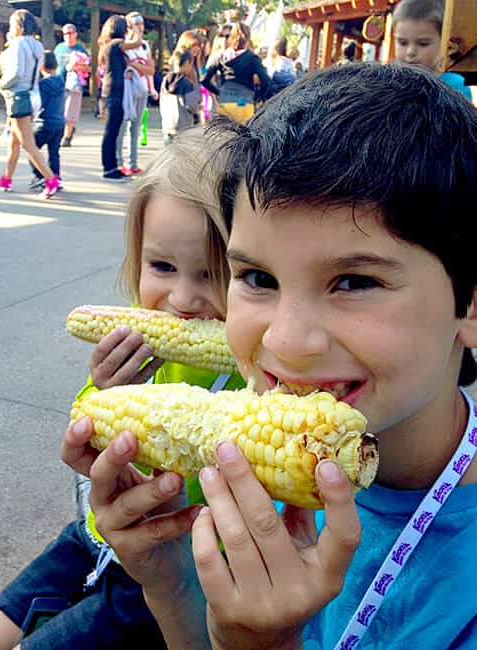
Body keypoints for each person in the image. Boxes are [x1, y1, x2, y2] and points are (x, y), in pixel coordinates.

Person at [63, 62, 477, 649]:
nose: (283, 342)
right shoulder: (252, 482)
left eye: (354, 282)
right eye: (257, 276)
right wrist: (170, 580)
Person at [0, 129, 245, 650]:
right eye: (162, 267)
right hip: (99, 534)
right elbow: (85, 426)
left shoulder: (253, 376)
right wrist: (100, 393)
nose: (182, 300)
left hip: (172, 561)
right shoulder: (142, 351)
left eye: (215, 274)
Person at [0, 10, 59, 198]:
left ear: (18, 26)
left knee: (28, 144)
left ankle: (51, 179)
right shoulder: (37, 45)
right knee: (14, 141)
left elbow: (16, 73)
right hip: (32, 95)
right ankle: (6, 179)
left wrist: (1, 84)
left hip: (19, 97)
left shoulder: (17, 44)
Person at [393, 0, 473, 102]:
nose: (410, 52)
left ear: (444, 42)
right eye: (402, 43)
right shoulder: (386, 82)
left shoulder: (455, 86)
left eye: (423, 43)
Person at [99, 15, 142, 181]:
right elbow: (137, 42)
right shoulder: (116, 44)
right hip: (114, 93)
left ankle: (111, 166)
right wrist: (135, 26)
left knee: (113, 131)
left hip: (113, 92)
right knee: (111, 132)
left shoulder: (111, 45)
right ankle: (108, 168)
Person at [201, 22, 270, 124]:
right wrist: (258, 97)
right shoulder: (253, 58)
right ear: (247, 38)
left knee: (224, 137)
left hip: (226, 103)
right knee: (242, 137)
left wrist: (219, 92)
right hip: (245, 103)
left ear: (231, 38)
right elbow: (266, 80)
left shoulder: (220, 57)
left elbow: (204, 80)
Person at [115, 12, 156, 177]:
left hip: (142, 89)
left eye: (141, 23)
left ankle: (133, 162)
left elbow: (150, 69)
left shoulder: (145, 45)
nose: (140, 27)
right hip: (128, 91)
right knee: (122, 126)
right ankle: (118, 162)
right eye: (136, 23)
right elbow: (126, 67)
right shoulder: (124, 44)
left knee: (136, 127)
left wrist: (136, 67)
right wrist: (136, 67)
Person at [27, 51, 66, 193]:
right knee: (54, 152)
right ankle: (56, 176)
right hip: (60, 122)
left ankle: (40, 175)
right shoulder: (61, 81)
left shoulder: (42, 85)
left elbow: (38, 104)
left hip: (44, 122)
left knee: (31, 148)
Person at [53, 24, 90, 147]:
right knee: (59, 111)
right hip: (59, 83)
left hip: (74, 84)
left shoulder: (81, 50)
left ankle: (67, 137)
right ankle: (67, 131)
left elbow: (90, 68)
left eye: (70, 33)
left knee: (70, 111)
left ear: (75, 34)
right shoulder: (58, 48)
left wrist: (79, 67)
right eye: (65, 33)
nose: (68, 35)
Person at [159, 49, 201, 145]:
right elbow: (191, 106)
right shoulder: (187, 84)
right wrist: (198, 111)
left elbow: (161, 102)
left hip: (168, 125)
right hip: (183, 126)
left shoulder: (166, 80)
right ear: (187, 62)